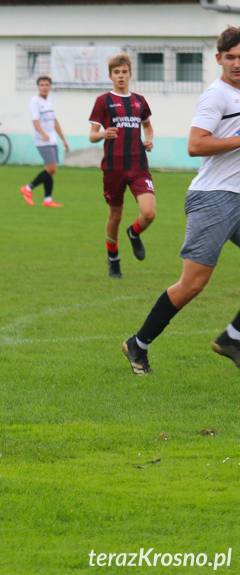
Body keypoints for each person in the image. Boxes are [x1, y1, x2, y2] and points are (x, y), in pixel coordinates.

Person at [122, 26, 240, 375]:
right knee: (193, 284)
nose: (237, 64)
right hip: (214, 198)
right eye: (230, 57)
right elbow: (196, 145)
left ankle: (232, 337)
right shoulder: (216, 96)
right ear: (218, 59)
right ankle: (137, 345)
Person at [89, 53, 155, 279]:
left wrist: (149, 139)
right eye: (116, 72)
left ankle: (134, 233)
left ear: (130, 74)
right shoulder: (103, 101)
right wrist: (102, 134)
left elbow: (148, 126)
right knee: (115, 216)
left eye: (124, 72)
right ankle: (113, 259)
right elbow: (91, 135)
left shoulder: (139, 100)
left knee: (149, 212)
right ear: (110, 76)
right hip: (114, 168)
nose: (120, 76)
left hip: (138, 166)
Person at [20, 75, 69, 208]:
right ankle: (28, 188)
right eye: (41, 85)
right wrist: (42, 134)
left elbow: (54, 121)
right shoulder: (34, 101)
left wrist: (63, 139)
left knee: (50, 171)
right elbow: (35, 120)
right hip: (42, 140)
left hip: (51, 138)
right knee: (52, 168)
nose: (44, 87)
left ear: (50, 86)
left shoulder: (49, 101)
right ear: (38, 87)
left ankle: (47, 199)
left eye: (46, 85)